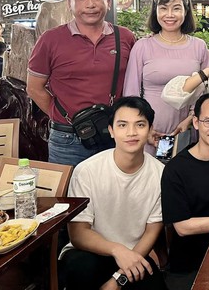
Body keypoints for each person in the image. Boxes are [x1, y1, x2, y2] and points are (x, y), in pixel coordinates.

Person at [27, 0, 136, 166]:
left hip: (114, 135)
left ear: (108, 2)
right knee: (67, 186)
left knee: (113, 185)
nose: (90, 4)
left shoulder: (125, 37)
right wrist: (62, 116)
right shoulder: (50, 39)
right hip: (67, 139)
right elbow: (34, 88)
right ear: (69, 4)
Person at [60, 97, 167, 290]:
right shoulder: (87, 171)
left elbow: (152, 231)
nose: (131, 132)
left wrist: (118, 280)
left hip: (135, 254)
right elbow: (78, 234)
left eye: (140, 125)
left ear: (150, 129)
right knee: (81, 268)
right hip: (91, 251)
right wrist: (117, 250)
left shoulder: (161, 174)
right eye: (122, 125)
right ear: (111, 130)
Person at [161, 92, 209, 288]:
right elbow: (183, 227)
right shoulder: (175, 169)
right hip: (189, 265)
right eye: (208, 121)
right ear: (196, 122)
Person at [124, 0, 209, 154]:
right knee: (150, 170)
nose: (169, 15)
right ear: (155, 12)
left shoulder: (199, 46)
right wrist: (144, 127)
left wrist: (190, 119)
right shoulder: (143, 46)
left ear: (186, 12)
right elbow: (131, 93)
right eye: (163, 8)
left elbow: (205, 92)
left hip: (185, 130)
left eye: (176, 8)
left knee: (180, 168)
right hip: (148, 132)